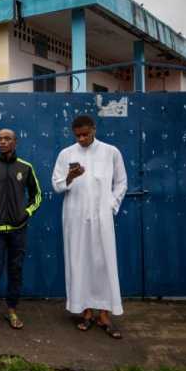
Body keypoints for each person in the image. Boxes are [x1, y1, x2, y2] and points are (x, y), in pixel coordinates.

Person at [51, 115, 127, 339]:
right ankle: (85, 311)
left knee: (103, 262)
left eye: (85, 134)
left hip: (101, 216)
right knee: (79, 261)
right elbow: (56, 185)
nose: (82, 138)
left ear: (94, 129)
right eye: (78, 135)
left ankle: (104, 314)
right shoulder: (67, 154)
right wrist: (69, 177)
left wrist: (111, 204)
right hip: (75, 216)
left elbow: (121, 182)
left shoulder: (110, 151)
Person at [0, 128, 42, 332]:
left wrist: (27, 213)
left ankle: (12, 309)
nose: (2, 142)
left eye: (7, 139)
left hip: (18, 230)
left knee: (16, 270)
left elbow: (37, 195)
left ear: (15, 141)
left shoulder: (26, 167)